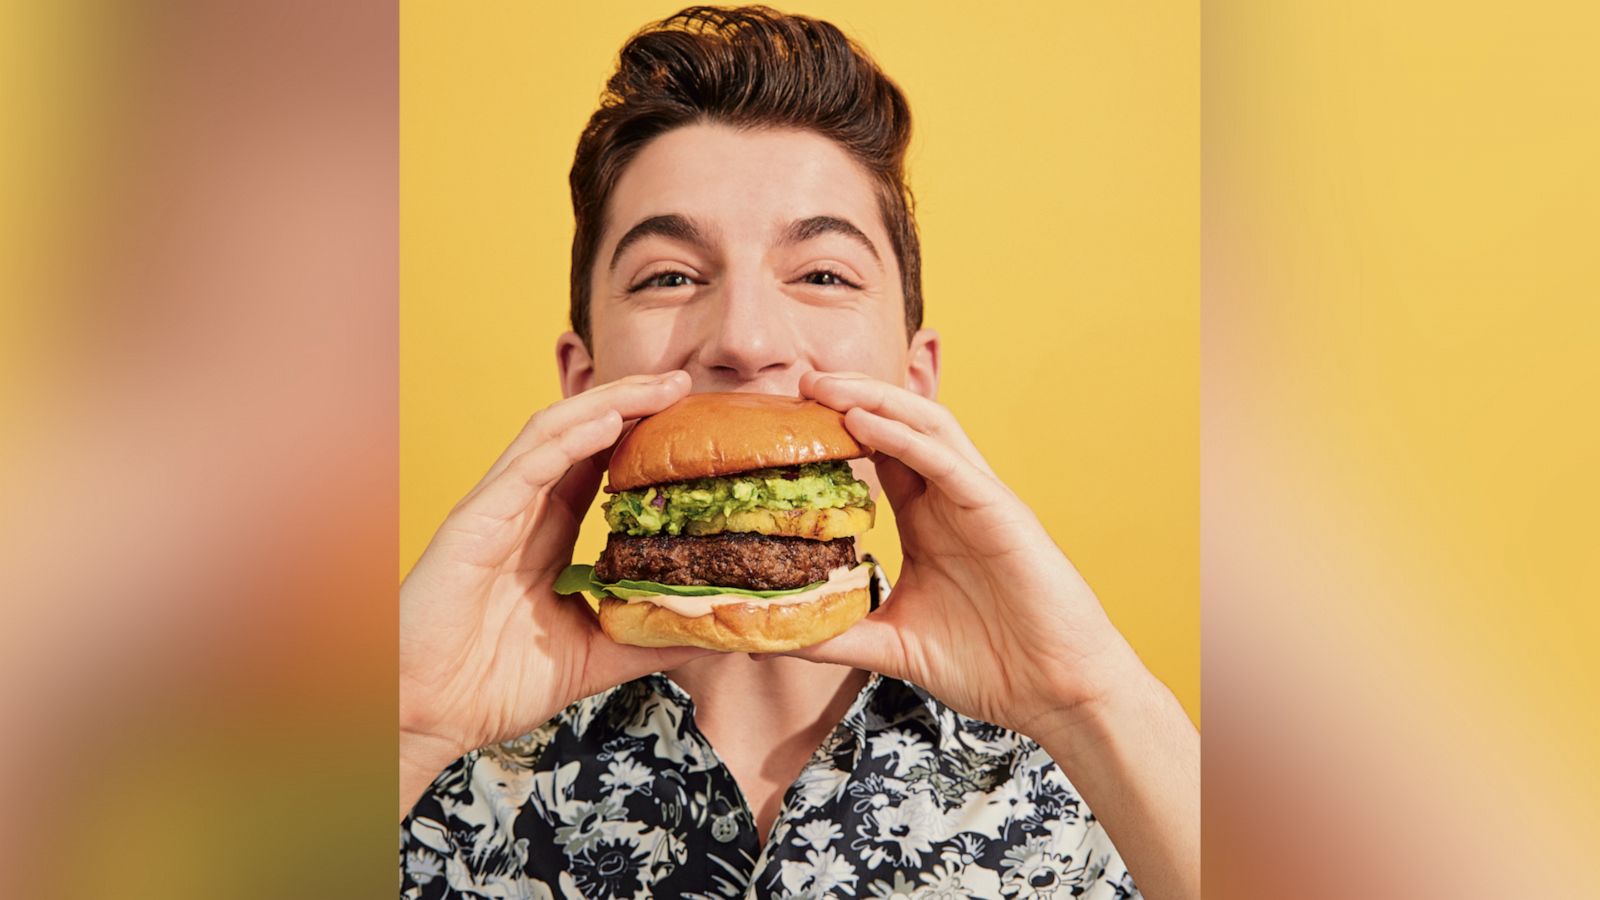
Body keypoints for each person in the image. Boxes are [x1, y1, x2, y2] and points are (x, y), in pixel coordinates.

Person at [400, 7, 1198, 898]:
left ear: (912, 380)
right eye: (668, 275)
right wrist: (405, 727)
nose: (744, 340)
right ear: (584, 382)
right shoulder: (434, 755)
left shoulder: (1099, 767)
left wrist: (1090, 706)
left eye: (822, 275)